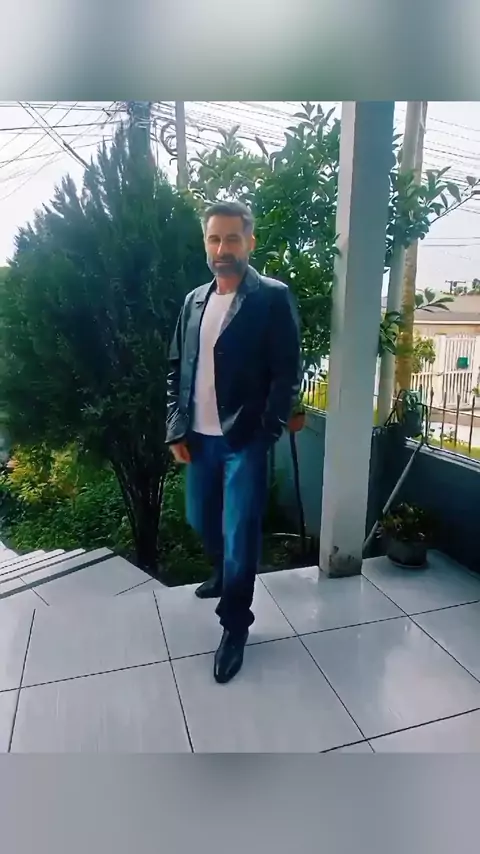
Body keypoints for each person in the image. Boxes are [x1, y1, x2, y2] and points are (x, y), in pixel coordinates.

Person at [166, 200, 301, 684]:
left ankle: (235, 626)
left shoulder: (271, 297)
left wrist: (267, 431)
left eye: (232, 238)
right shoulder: (194, 301)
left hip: (244, 439)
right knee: (200, 517)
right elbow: (176, 368)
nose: (222, 248)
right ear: (206, 243)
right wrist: (176, 427)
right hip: (199, 439)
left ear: (250, 242)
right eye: (214, 239)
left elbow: (287, 372)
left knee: (240, 532)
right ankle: (224, 573)